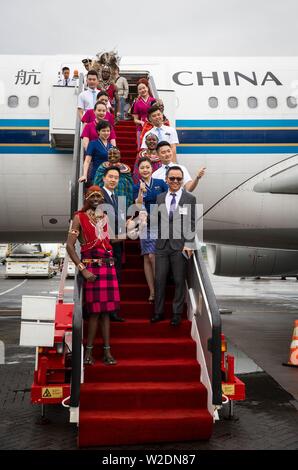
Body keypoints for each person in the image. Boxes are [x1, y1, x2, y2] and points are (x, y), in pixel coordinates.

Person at [66, 185, 119, 365]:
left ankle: (107, 352)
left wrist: (137, 229)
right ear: (87, 197)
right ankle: (88, 353)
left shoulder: (104, 217)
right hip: (91, 268)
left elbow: (110, 239)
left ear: (102, 199)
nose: (96, 198)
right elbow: (69, 246)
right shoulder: (78, 217)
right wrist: (82, 269)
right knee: (95, 313)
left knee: (106, 313)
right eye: (92, 195)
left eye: (99, 196)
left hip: (108, 267)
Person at [150, 166, 197, 326]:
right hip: (162, 245)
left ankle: (176, 313)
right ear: (166, 180)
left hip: (180, 245)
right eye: (172, 178)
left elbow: (191, 222)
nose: (175, 181)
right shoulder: (160, 197)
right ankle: (158, 312)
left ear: (182, 180)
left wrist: (189, 243)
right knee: (159, 280)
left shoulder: (189, 198)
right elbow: (155, 220)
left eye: (178, 179)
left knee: (178, 280)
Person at [133, 157, 168, 302]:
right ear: (138, 170)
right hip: (144, 223)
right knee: (147, 257)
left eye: (147, 167)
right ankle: (152, 291)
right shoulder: (136, 187)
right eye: (142, 168)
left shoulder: (160, 183)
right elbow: (137, 205)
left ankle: (159, 288)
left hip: (159, 222)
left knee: (153, 256)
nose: (145, 170)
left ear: (151, 168)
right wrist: (141, 192)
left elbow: (167, 201)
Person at [101, 167, 126, 322]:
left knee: (115, 278)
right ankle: (109, 312)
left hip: (116, 245)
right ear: (104, 178)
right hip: (106, 245)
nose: (113, 180)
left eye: (116, 177)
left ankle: (112, 311)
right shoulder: (100, 195)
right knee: (108, 280)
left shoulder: (116, 197)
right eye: (110, 176)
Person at [132, 79, 155, 147]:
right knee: (141, 146)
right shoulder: (137, 103)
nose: (142, 90)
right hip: (141, 128)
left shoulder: (154, 101)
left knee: (152, 146)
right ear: (138, 91)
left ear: (147, 88)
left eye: (144, 88)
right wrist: (142, 122)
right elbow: (135, 120)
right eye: (140, 89)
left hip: (152, 126)